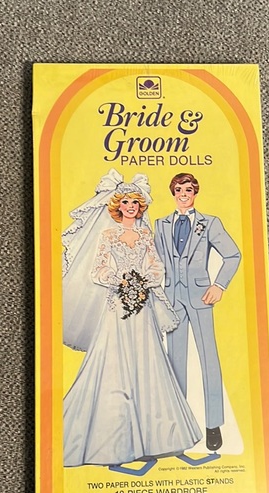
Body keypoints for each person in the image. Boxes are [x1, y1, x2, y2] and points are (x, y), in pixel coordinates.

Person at [62, 169, 201, 467]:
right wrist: (122, 281)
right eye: (125, 202)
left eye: (135, 203)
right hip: (117, 306)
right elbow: (98, 271)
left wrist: (143, 281)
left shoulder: (145, 235)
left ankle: (155, 440)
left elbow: (157, 267)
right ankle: (114, 444)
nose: (130, 207)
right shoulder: (108, 235)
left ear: (140, 207)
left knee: (148, 364)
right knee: (115, 365)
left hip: (143, 306)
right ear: (118, 206)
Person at [154, 173, 241, 451]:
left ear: (195, 193)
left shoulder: (210, 223)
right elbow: (155, 261)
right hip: (172, 298)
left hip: (202, 297)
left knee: (208, 359)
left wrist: (219, 285)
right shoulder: (161, 225)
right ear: (173, 192)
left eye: (189, 190)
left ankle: (213, 424)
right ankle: (179, 425)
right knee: (175, 361)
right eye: (179, 189)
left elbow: (233, 255)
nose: (184, 194)